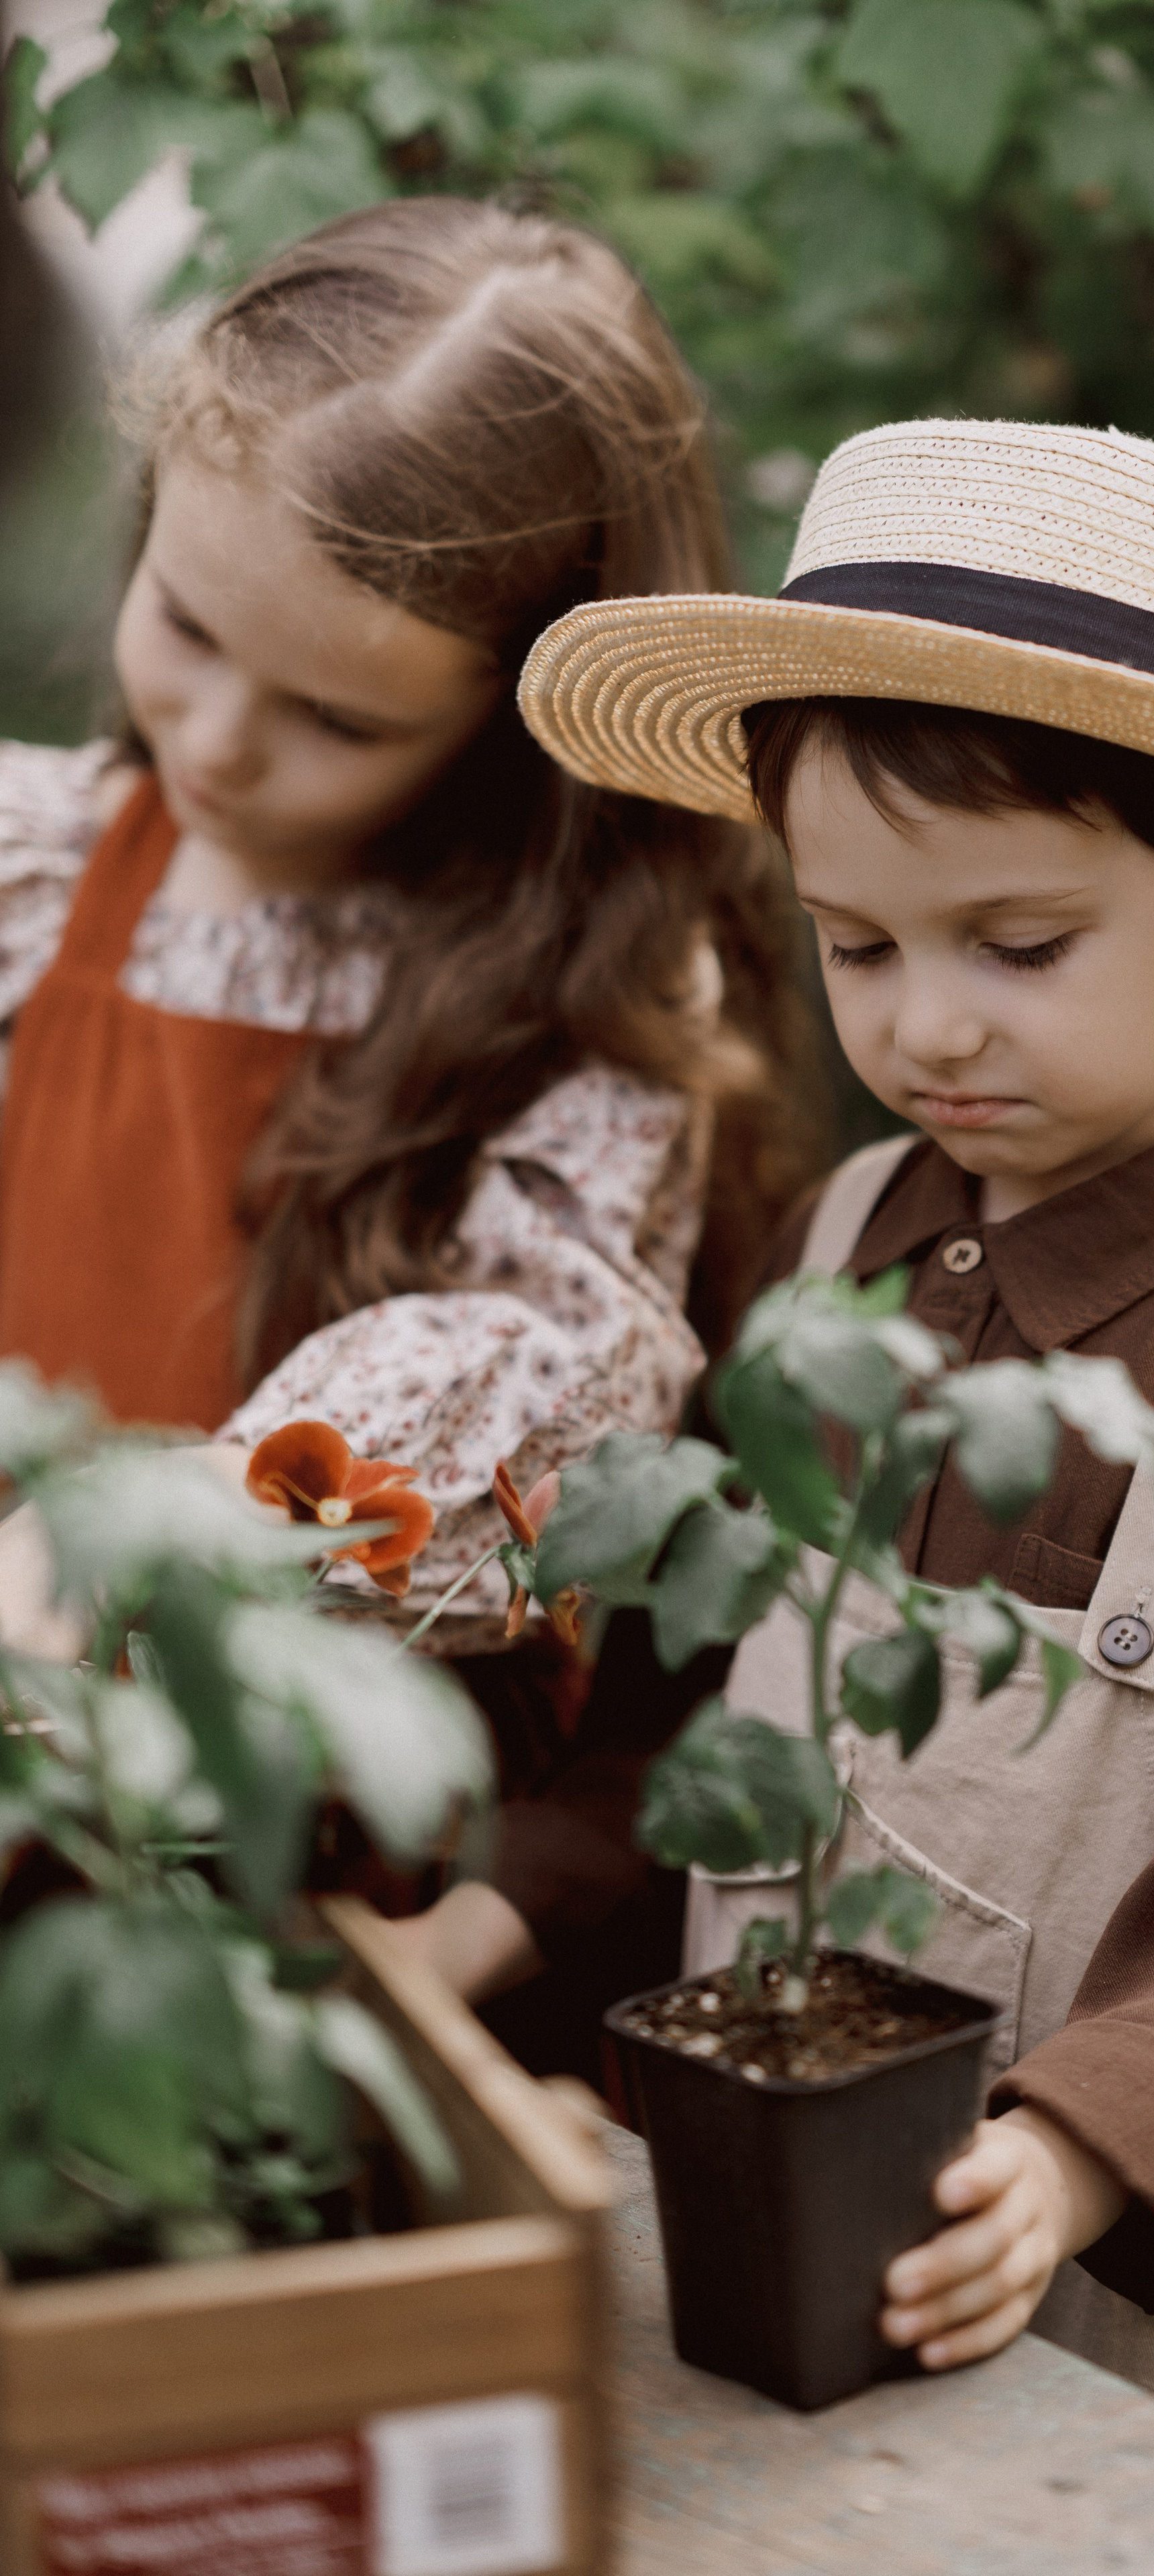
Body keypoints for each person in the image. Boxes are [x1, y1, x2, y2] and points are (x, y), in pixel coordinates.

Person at [510, 418, 1154, 2538]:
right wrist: (492, 1911)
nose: (927, 1029)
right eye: (859, 947)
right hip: (808, 2246)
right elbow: (694, 1721)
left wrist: (1079, 2144)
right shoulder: (845, 1249)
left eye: (1021, 944)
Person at [0, 199, 816, 1917]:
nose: (215, 741)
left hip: (304, 1839)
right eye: (186, 628)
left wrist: (178, 1526)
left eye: (338, 721)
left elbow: (555, 1364)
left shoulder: (578, 996)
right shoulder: (38, 867)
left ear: (523, 724)